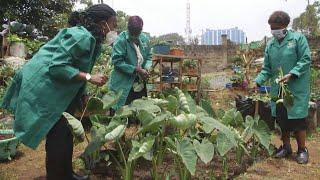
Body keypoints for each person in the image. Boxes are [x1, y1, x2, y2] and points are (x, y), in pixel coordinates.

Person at [1, 4, 117, 179]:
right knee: (57, 135)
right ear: (103, 24)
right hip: (44, 85)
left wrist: (83, 93)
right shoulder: (81, 37)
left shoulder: (92, 40)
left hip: (58, 87)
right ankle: (56, 175)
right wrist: (89, 78)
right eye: (113, 24)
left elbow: (80, 67)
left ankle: (66, 174)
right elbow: (57, 66)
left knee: (65, 132)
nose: (115, 29)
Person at [254, 11, 311, 164]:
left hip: (295, 87)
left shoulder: (298, 39)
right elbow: (267, 68)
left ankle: (302, 149)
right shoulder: (270, 44)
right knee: (282, 118)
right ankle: (286, 147)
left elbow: (305, 59)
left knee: (298, 118)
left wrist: (292, 73)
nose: (274, 31)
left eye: (276, 27)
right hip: (278, 88)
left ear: (285, 26)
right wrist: (257, 81)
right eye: (272, 28)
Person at [109, 16, 152, 113]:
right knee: (120, 110)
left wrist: (147, 68)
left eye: (137, 32)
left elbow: (149, 56)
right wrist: (136, 69)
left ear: (141, 30)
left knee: (139, 110)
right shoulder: (121, 40)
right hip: (123, 81)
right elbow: (117, 61)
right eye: (132, 32)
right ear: (128, 28)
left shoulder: (145, 39)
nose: (134, 35)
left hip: (139, 82)